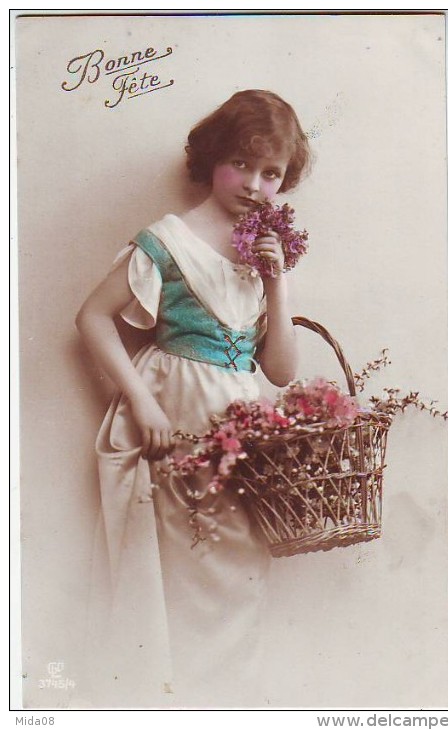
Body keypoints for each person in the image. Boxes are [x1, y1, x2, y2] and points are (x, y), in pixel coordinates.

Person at [76, 89, 312, 708]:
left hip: (240, 426)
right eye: (242, 163)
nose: (256, 185)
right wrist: (140, 403)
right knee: (182, 570)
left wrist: (277, 280)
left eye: (272, 174)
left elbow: (281, 371)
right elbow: (93, 318)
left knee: (239, 572)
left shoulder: (262, 250)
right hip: (174, 412)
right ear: (212, 158)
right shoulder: (170, 239)